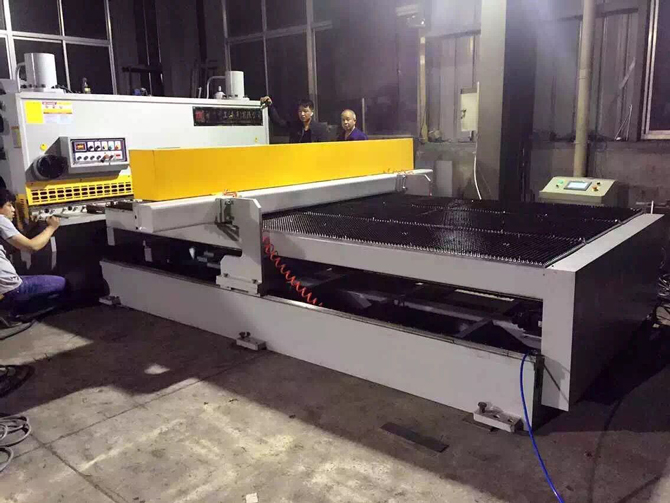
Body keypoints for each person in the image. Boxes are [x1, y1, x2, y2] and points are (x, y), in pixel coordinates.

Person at [0, 189, 66, 326]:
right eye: (9, 205)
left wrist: (30, 229)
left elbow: (12, 247)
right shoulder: (1, 220)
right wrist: (51, 227)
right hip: (10, 291)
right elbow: (32, 247)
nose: (13, 210)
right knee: (63, 284)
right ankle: (14, 313)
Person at [260, 96, 328, 143]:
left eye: (305, 111)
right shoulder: (294, 126)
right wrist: (270, 106)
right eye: (300, 111)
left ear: (312, 112)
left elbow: (324, 148)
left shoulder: (320, 129)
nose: (302, 114)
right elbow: (278, 121)